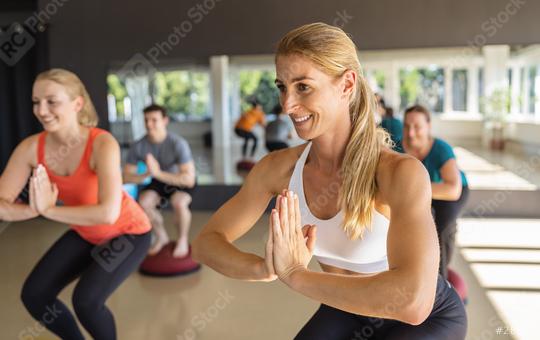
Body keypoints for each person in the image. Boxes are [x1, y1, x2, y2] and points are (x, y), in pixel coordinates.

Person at [193, 23, 467, 339]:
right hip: (346, 310)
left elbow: (413, 302)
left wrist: (295, 275)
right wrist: (266, 267)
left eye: (303, 87)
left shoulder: (398, 173)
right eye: (282, 87)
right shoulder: (278, 169)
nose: (287, 105)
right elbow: (206, 243)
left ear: (347, 84)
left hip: (430, 316)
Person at [0, 68, 151, 340]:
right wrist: (34, 209)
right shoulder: (31, 148)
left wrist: (48, 210)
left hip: (128, 232)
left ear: (77, 103)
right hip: (86, 232)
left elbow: (108, 213)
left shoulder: (101, 143)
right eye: (36, 102)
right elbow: (1, 204)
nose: (41, 110)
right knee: (35, 295)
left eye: (51, 101)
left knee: (87, 302)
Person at [397, 104, 469, 280]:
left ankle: (441, 281)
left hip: (447, 193)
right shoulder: (397, 148)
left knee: (440, 228)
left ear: (428, 126)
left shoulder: (441, 149)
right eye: (407, 126)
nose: (411, 133)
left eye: (417, 127)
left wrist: (415, 187)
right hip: (419, 193)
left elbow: (453, 188)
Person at [123, 104, 196, 258]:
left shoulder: (178, 143)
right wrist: (146, 175)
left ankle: (183, 239)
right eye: (146, 120)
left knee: (179, 202)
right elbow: (126, 177)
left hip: (178, 181)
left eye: (154, 120)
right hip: (158, 180)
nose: (149, 124)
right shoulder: (139, 145)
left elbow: (189, 180)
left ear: (165, 121)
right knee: (144, 203)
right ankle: (162, 237)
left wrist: (157, 173)